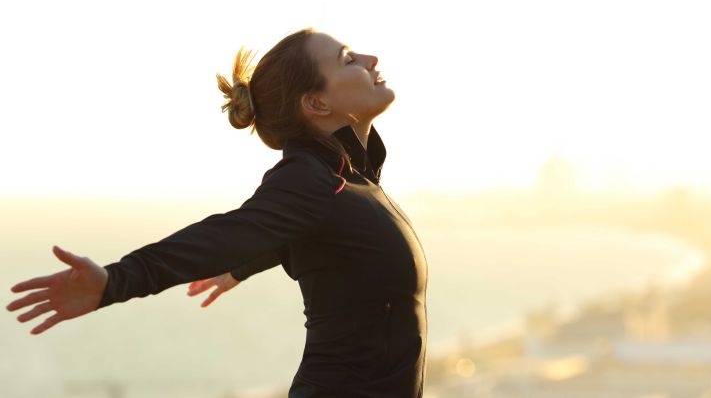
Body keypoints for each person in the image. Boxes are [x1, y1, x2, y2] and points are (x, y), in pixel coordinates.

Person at [6, 28, 429, 397]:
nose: (370, 60)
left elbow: (320, 234)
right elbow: (225, 234)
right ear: (316, 103)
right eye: (347, 59)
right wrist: (115, 281)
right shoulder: (311, 179)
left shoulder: (352, 179)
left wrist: (246, 263)